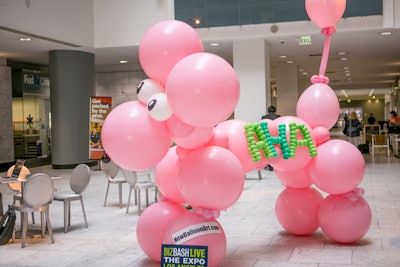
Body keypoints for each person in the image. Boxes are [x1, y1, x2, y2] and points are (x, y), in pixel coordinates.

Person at [261, 105, 280, 171]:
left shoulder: (264, 117)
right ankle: (275, 164)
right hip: (275, 135)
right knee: (276, 148)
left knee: (267, 149)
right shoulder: (278, 117)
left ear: (267, 111)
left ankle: (268, 164)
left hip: (266, 135)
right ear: (275, 111)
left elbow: (261, 126)